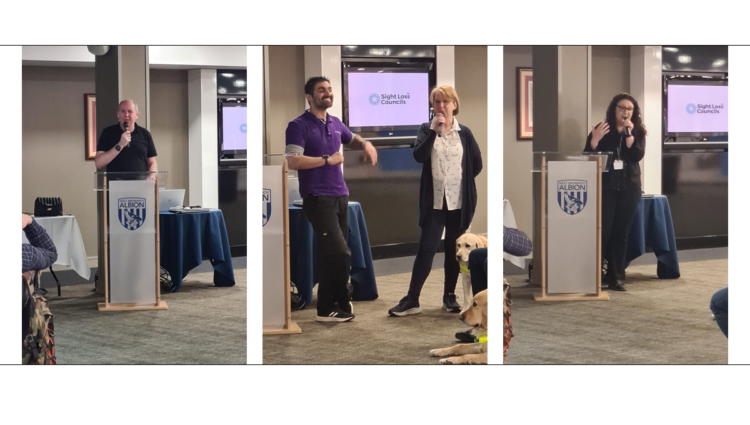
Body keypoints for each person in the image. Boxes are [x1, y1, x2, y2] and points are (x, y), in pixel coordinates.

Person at [285, 76, 378, 323]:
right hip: (318, 199)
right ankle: (340, 300)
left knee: (331, 254)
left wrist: (365, 144)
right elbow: (293, 161)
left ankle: (327, 309)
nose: (327, 93)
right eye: (321, 90)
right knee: (340, 253)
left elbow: (352, 139)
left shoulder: (336, 123)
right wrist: (326, 160)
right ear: (309, 96)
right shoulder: (298, 125)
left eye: (329, 90)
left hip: (340, 196)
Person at [389, 85, 483, 317]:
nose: (440, 106)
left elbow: (477, 165)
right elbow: (419, 156)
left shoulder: (465, 133)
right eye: (437, 102)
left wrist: (458, 181)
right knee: (427, 248)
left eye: (445, 101)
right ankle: (412, 299)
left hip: (459, 202)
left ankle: (449, 296)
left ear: (454, 105)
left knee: (456, 250)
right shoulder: (425, 129)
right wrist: (433, 131)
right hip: (434, 203)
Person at [584, 93, 646, 292]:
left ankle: (617, 277)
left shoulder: (638, 132)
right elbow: (588, 156)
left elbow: (636, 156)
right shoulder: (603, 130)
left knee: (621, 233)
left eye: (629, 109)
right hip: (606, 188)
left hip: (630, 189)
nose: (626, 112)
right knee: (605, 231)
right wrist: (594, 140)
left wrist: (630, 137)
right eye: (622, 108)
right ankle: (595, 275)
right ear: (614, 109)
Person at [94, 100, 158, 176]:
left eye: (130, 111)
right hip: (116, 184)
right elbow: (99, 163)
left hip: (140, 184)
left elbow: (152, 162)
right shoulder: (107, 133)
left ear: (137, 115)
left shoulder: (145, 134)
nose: (126, 115)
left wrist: (151, 177)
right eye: (123, 111)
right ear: (118, 114)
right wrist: (120, 145)